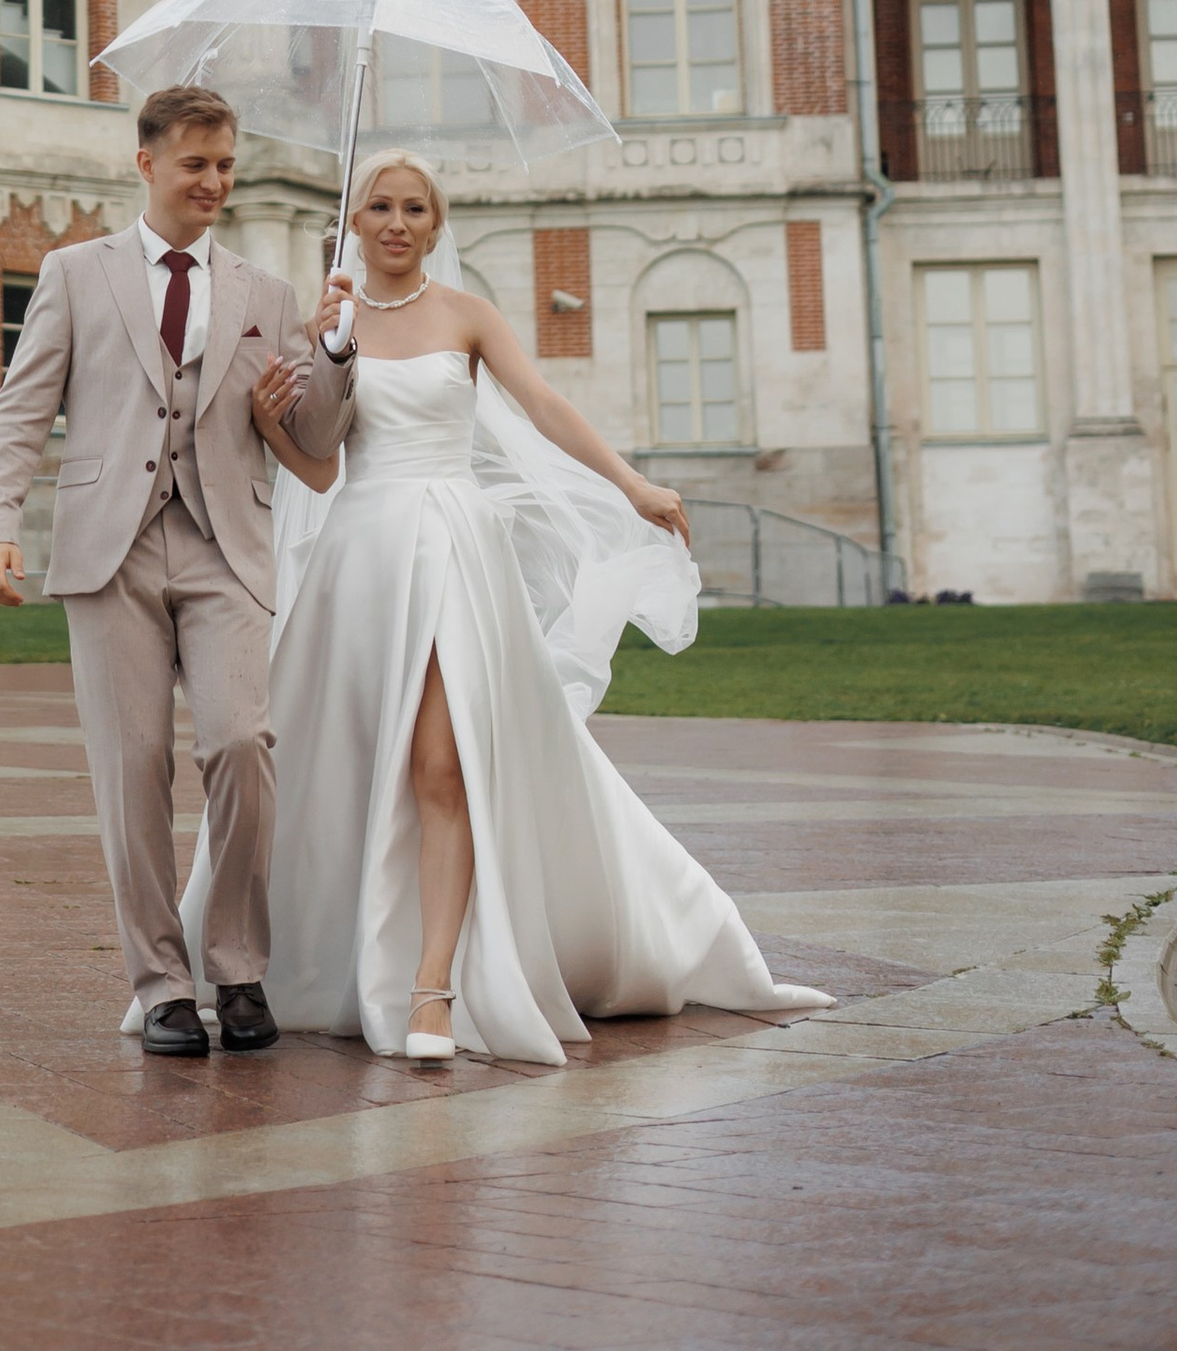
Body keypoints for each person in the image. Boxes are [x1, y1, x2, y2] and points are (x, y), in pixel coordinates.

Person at [219, 148, 830, 1064]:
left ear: (437, 222)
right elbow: (318, 467)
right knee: (349, 771)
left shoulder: (469, 315)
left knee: (443, 764)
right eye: (379, 206)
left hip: (454, 550)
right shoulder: (328, 325)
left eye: (414, 207)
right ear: (353, 221)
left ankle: (432, 987)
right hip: (364, 562)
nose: (396, 222)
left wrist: (631, 483)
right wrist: (282, 408)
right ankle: (340, 957)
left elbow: (542, 403)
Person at [0, 82, 356, 1058]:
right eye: (196, 163)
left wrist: (335, 349)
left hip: (227, 543)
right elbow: (21, 409)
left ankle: (238, 964)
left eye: (225, 164)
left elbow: (316, 441)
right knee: (132, 766)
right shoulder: (73, 273)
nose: (214, 181)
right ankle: (162, 985)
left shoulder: (267, 294)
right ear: (146, 163)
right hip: (111, 549)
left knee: (240, 742)